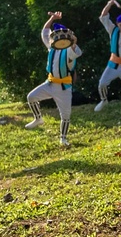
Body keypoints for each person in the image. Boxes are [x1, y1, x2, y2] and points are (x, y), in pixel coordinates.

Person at [27, 13, 82, 146]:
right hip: (50, 83)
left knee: (65, 115)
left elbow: (77, 52)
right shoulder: (51, 47)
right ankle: (38, 118)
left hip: (63, 87)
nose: (55, 38)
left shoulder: (68, 49)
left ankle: (63, 138)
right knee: (31, 97)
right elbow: (45, 32)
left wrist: (74, 40)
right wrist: (52, 19)